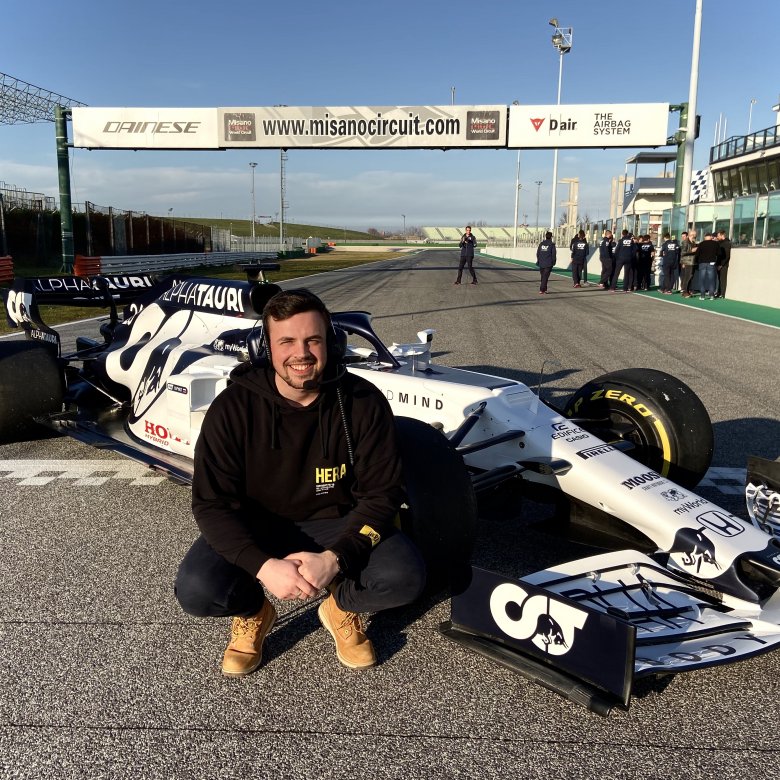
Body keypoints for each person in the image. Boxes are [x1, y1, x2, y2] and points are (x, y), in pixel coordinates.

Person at [175, 288, 426, 676]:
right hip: (257, 523)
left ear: (331, 343)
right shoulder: (233, 407)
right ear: (267, 348)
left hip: (337, 519)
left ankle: (339, 605)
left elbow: (383, 494)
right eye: (287, 341)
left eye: (313, 339)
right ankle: (254, 612)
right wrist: (263, 567)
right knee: (197, 591)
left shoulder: (363, 401)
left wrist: (336, 559)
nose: (302, 353)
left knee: (404, 579)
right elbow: (211, 504)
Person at [694, 233, 719, 300]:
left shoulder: (701, 244)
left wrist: (697, 261)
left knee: (702, 279)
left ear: (705, 237)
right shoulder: (715, 244)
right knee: (711, 279)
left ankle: (702, 295)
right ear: (711, 237)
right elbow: (719, 253)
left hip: (702, 263)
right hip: (711, 263)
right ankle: (711, 295)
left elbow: (697, 254)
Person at [679, 229, 697, 298]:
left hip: (692, 261)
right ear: (691, 235)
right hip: (687, 261)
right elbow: (683, 252)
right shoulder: (685, 242)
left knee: (690, 276)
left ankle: (688, 291)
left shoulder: (693, 242)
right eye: (695, 235)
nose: (695, 236)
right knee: (687, 277)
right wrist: (691, 250)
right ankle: (684, 291)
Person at [716, 229, 732, 298]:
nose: (717, 237)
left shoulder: (727, 243)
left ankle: (722, 294)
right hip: (718, 263)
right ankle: (719, 292)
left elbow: (727, 256)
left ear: (722, 235)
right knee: (719, 279)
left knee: (723, 279)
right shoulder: (719, 243)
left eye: (718, 236)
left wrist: (721, 265)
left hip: (723, 265)